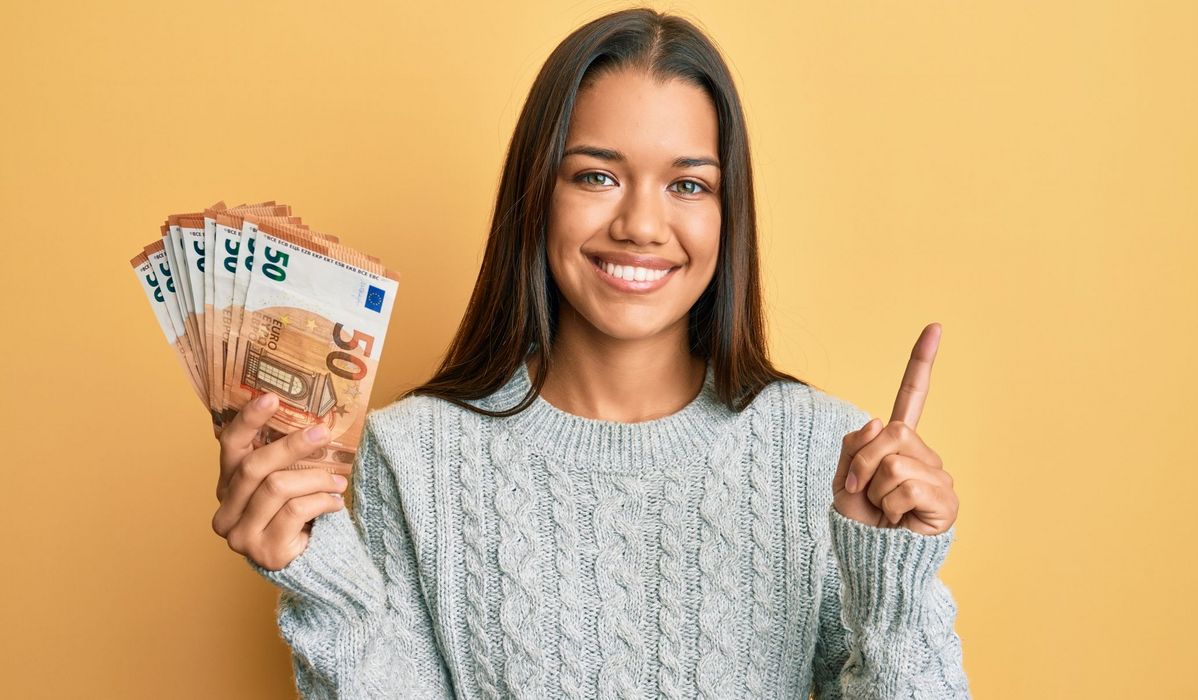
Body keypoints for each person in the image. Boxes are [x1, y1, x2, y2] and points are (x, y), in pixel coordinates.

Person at [211, 7, 969, 699]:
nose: (641, 224)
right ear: (538, 191)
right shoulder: (414, 456)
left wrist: (893, 587)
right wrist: (322, 584)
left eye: (689, 185)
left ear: (729, 211)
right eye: (597, 176)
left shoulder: (824, 458)